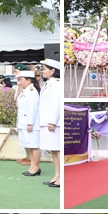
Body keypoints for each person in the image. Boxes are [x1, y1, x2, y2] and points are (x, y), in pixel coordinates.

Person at [38, 59, 62, 187]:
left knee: (58, 150)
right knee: (53, 150)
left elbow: (56, 104)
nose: (43, 71)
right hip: (47, 121)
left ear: (53, 71)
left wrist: (52, 121)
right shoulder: (49, 83)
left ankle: (61, 177)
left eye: (45, 69)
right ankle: (57, 174)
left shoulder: (57, 84)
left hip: (54, 122)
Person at [15, 70, 42, 176]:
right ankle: (32, 166)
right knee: (30, 146)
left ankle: (36, 167)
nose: (20, 82)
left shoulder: (31, 92)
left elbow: (32, 109)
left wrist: (30, 123)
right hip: (24, 122)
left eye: (21, 80)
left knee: (34, 145)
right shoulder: (25, 91)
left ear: (28, 80)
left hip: (30, 124)